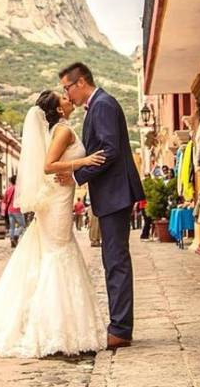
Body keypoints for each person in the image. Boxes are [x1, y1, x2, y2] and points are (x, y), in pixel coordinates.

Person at [0, 90, 108, 358]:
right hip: (57, 200)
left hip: (59, 195)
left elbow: (54, 166)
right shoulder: (63, 131)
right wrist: (84, 162)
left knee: (54, 253)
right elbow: (48, 165)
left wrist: (73, 171)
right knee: (58, 253)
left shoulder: (59, 131)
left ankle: (55, 326)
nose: (68, 99)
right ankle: (53, 330)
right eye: (63, 98)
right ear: (57, 110)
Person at [54, 62, 144, 351]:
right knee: (113, 260)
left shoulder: (102, 105)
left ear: (80, 83)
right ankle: (120, 326)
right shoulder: (99, 106)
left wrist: (78, 175)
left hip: (115, 193)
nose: (66, 95)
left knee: (116, 261)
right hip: (112, 194)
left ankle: (120, 329)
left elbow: (109, 151)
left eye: (67, 88)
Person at [2, 175, 25, 247]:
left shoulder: (8, 190)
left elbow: (4, 201)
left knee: (11, 227)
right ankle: (16, 236)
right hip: (17, 209)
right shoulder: (20, 190)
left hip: (9, 210)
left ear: (11, 181)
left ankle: (12, 241)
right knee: (22, 225)